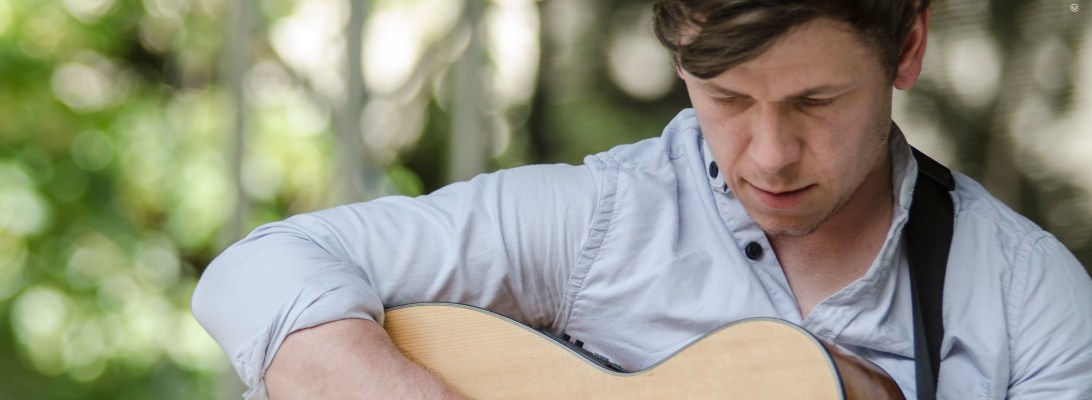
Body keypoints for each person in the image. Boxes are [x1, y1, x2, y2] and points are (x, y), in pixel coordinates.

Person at [192, 1, 1092, 399]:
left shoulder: (1031, 305)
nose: (770, 155)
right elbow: (258, 269)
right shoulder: (604, 222)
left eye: (817, 102)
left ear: (909, 47)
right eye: (727, 100)